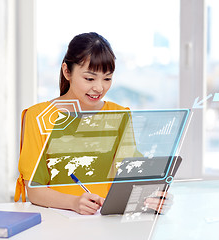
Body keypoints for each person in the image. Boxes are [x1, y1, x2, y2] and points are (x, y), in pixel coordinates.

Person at [14, 32, 168, 215]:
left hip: (108, 221)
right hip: (57, 221)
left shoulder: (119, 114)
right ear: (66, 71)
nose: (99, 88)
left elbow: (129, 178)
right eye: (89, 78)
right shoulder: (38, 116)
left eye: (107, 78)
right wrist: (74, 202)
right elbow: (34, 191)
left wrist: (152, 198)